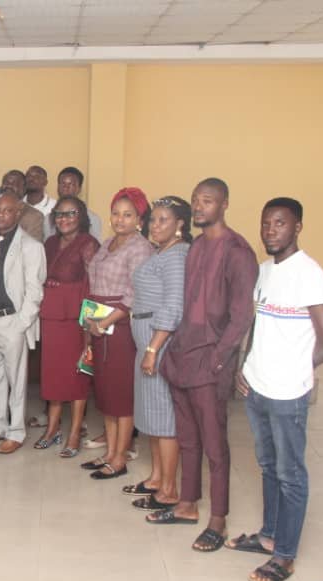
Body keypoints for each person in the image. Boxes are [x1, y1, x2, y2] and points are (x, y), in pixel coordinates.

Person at [228, 197, 323, 581]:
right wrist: (246, 364)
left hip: (288, 393)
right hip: (257, 386)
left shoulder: (309, 274)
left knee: (291, 474)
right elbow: (256, 325)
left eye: (280, 223)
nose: (271, 231)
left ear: (297, 227)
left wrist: (297, 374)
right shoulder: (263, 271)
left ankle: (285, 556)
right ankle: (270, 536)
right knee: (269, 465)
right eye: (266, 224)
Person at [151, 179, 259, 552]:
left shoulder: (237, 251)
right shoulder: (196, 246)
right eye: (195, 201)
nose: (198, 207)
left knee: (215, 446)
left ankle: (218, 520)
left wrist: (218, 360)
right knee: (189, 439)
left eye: (207, 201)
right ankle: (187, 505)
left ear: (224, 204)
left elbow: (242, 316)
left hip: (210, 362)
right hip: (182, 358)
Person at [80, 187, 154, 478]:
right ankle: (109, 452)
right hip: (97, 323)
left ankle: (120, 458)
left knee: (122, 398)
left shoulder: (140, 248)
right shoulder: (107, 243)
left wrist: (105, 322)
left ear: (139, 219)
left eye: (128, 215)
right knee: (106, 396)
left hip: (120, 328)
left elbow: (133, 293)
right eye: (116, 213)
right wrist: (90, 323)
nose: (120, 219)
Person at [124, 196, 190, 512]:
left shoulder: (177, 256)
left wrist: (153, 348)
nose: (156, 225)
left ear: (180, 224)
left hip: (159, 343)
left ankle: (169, 489)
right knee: (151, 412)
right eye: (154, 219)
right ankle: (155, 478)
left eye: (164, 219)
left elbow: (174, 306)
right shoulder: (161, 252)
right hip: (146, 340)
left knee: (164, 417)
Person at [0, 191, 46, 453]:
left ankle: (16, 431)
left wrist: (21, 323)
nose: (1, 215)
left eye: (7, 210)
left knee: (16, 379)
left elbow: (34, 291)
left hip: (13, 321)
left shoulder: (32, 247)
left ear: (18, 213)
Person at [35, 196, 100, 457]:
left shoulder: (89, 244)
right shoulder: (50, 243)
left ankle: (74, 432)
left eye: (70, 214)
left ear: (81, 217)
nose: (64, 219)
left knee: (76, 376)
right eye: (59, 214)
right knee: (52, 375)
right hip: (51, 315)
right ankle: (52, 428)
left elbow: (94, 287)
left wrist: (89, 326)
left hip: (76, 319)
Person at [0, 170, 45, 243]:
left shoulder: (34, 216)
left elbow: (33, 249)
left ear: (24, 189)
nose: (9, 186)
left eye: (15, 183)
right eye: (6, 182)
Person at [57, 167, 102, 241]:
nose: (66, 187)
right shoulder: (49, 218)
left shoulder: (92, 219)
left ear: (79, 189)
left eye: (71, 184)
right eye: (63, 183)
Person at [23, 165, 55, 237]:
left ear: (45, 182)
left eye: (37, 177)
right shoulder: (18, 205)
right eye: (28, 176)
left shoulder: (54, 206)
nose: (31, 179)